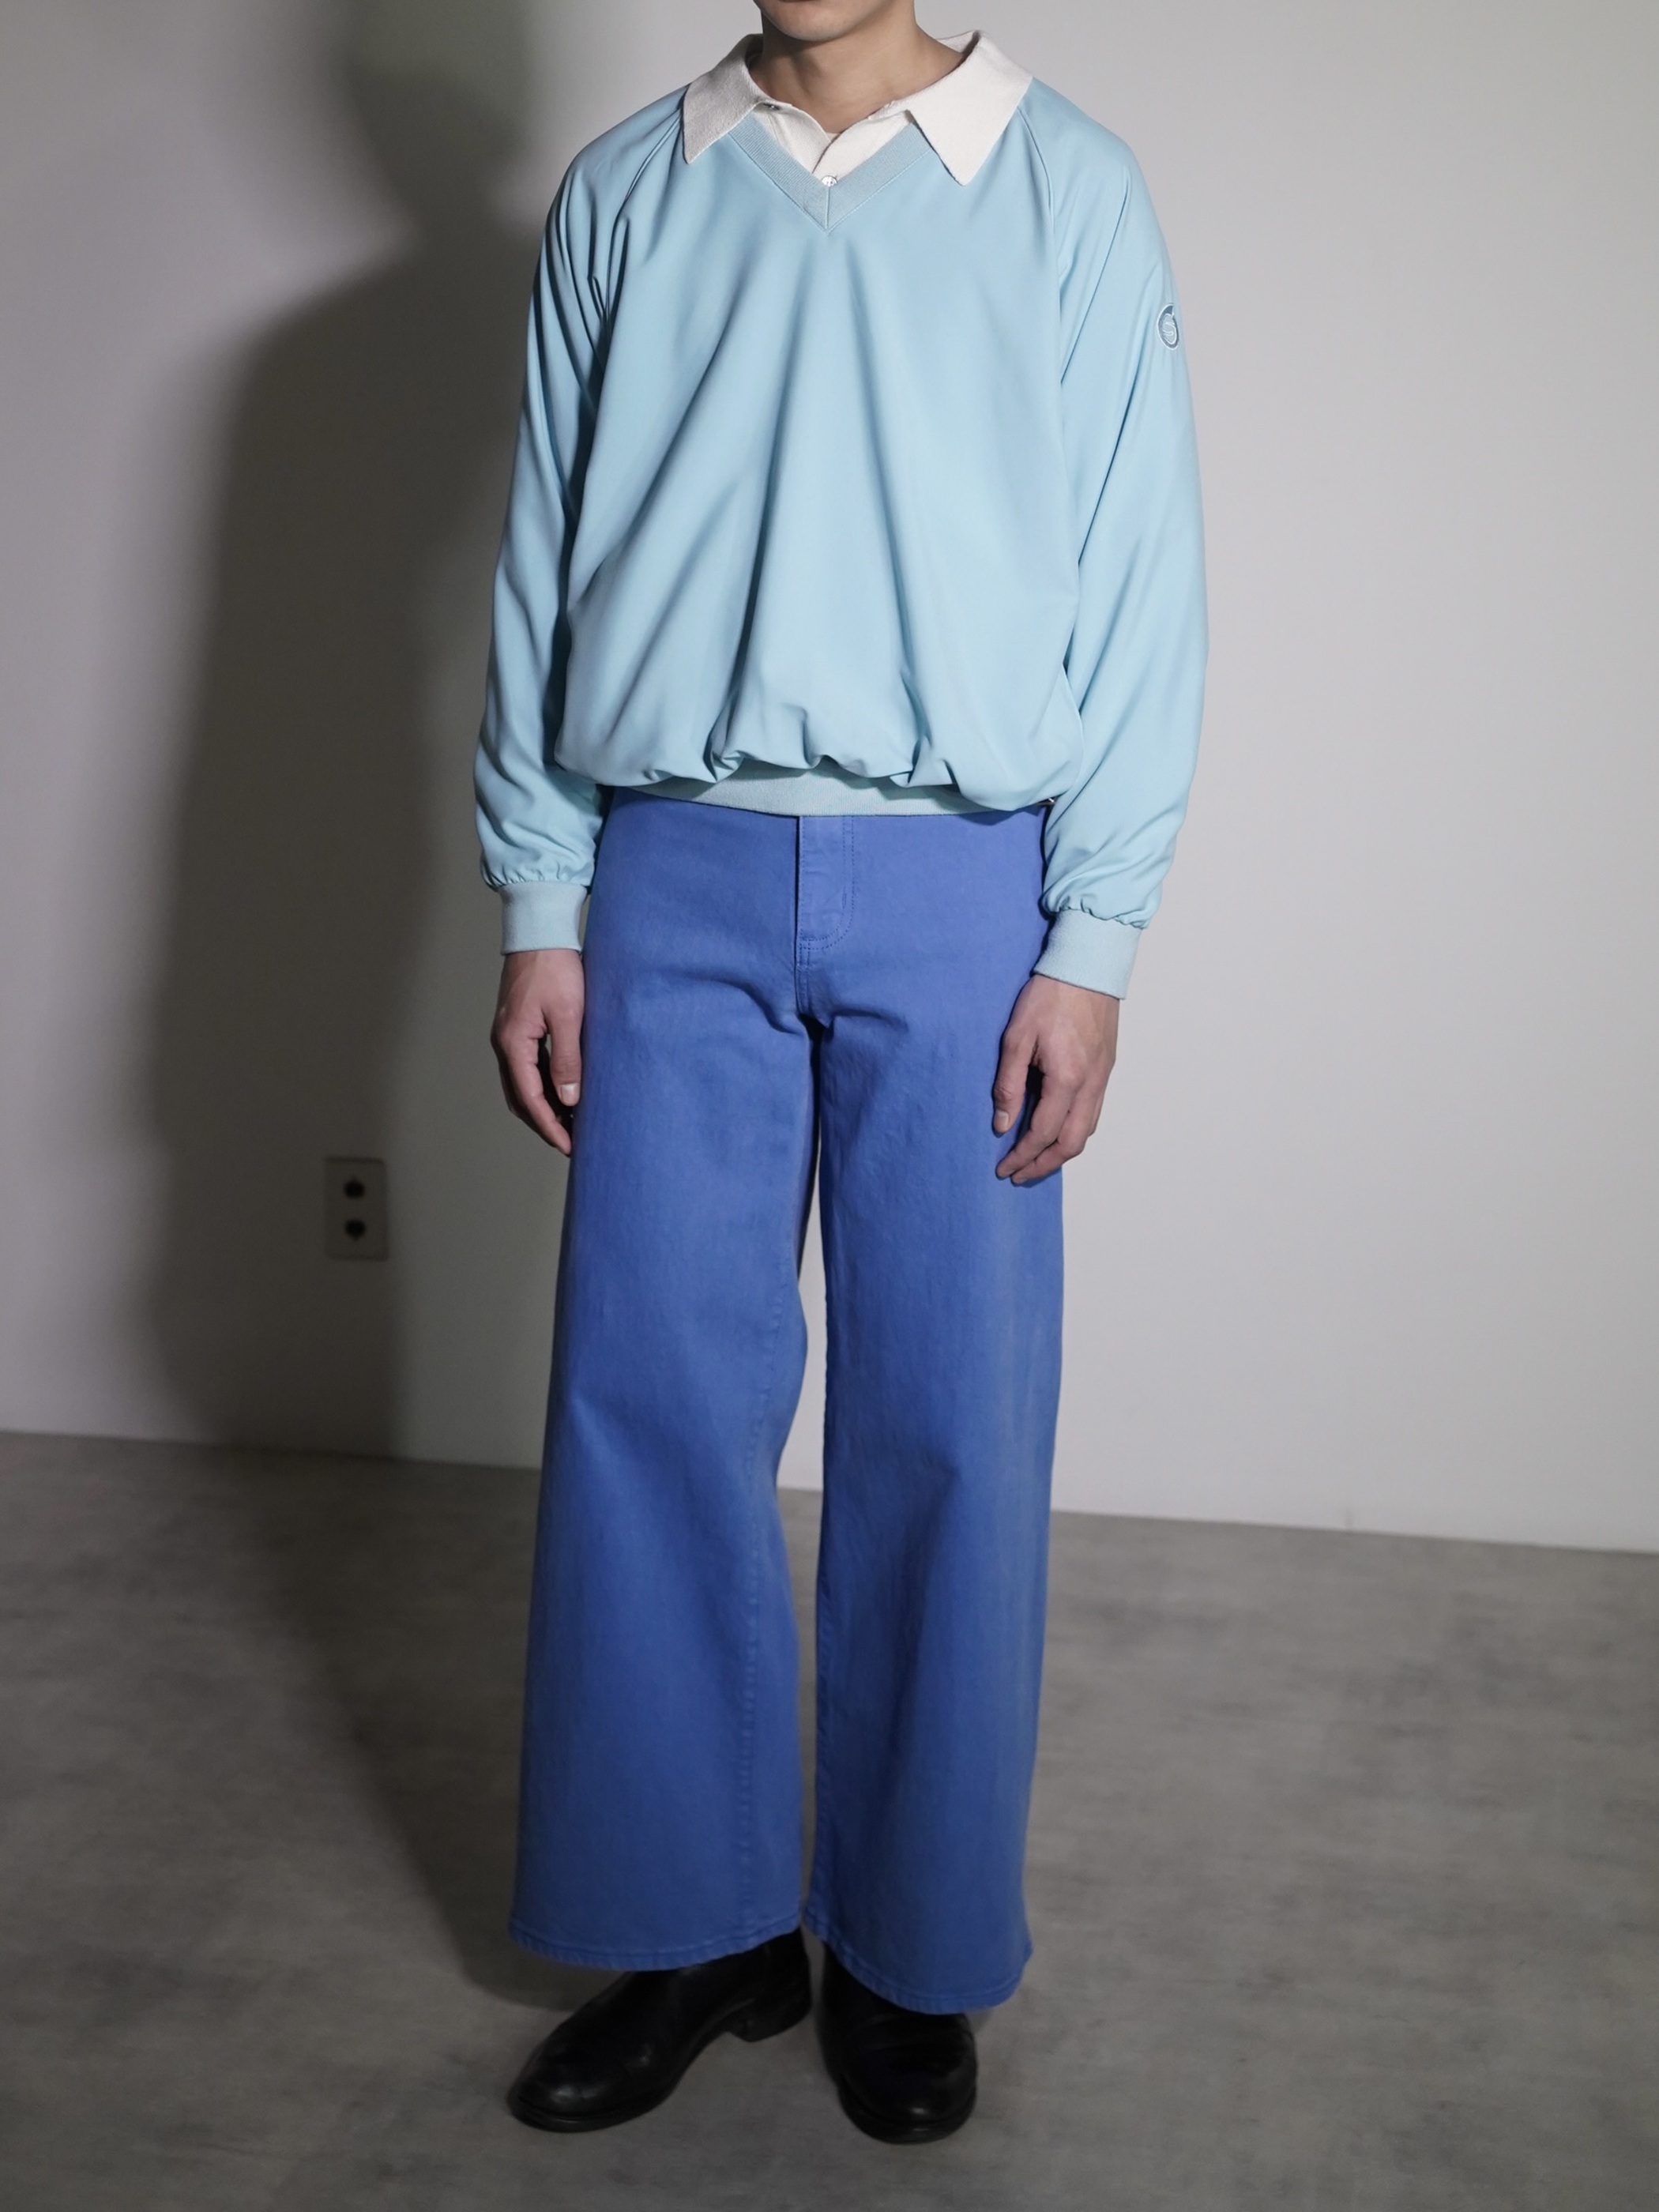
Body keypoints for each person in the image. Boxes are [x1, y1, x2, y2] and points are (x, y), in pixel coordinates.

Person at [474, 0, 1205, 2146]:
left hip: (963, 886)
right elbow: (541, 562)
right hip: (669, 869)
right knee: (645, 1412)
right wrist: (541, 897)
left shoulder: (1066, 189)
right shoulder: (631, 189)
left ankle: (908, 1944)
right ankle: (691, 1928)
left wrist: (1094, 941)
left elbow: (1142, 582)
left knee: (949, 1427)